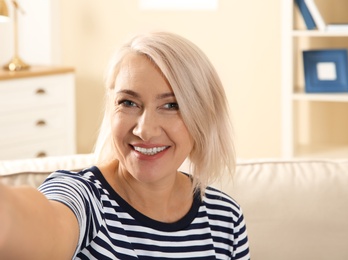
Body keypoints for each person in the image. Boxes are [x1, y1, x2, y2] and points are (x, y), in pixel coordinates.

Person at [0, 31, 250, 259]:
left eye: (171, 105)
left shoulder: (225, 218)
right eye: (129, 102)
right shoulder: (84, 199)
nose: (144, 130)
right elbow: (38, 225)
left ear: (203, 116)